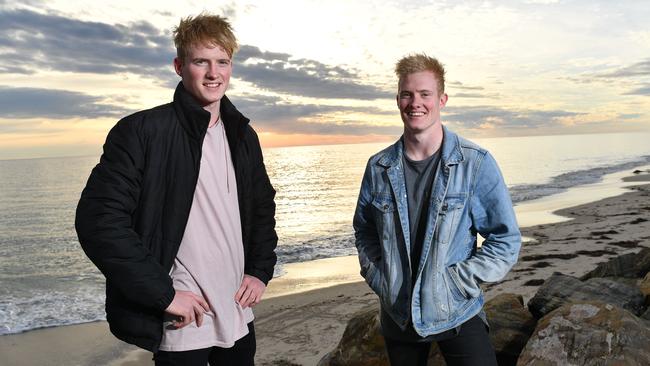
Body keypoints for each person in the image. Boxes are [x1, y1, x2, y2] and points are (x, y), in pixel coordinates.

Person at [75, 14, 277, 366]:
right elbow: (99, 221)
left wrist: (260, 271)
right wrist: (163, 295)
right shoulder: (141, 131)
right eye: (201, 62)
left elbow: (263, 208)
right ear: (179, 65)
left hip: (237, 314)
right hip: (184, 323)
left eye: (222, 62)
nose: (213, 73)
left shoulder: (243, 134)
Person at [353, 54, 521, 366]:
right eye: (407, 94)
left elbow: (505, 240)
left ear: (441, 99)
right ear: (398, 99)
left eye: (425, 94)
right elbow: (364, 231)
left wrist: (457, 283)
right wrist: (380, 277)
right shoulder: (379, 167)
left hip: (457, 311)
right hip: (398, 315)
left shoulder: (475, 163)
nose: (415, 103)